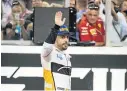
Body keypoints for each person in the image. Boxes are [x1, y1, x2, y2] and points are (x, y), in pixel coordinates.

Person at [40, 11, 72, 91]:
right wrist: (56, 27)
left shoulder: (66, 57)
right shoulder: (49, 54)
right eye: (62, 37)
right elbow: (47, 47)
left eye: (67, 37)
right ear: (55, 38)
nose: (66, 40)